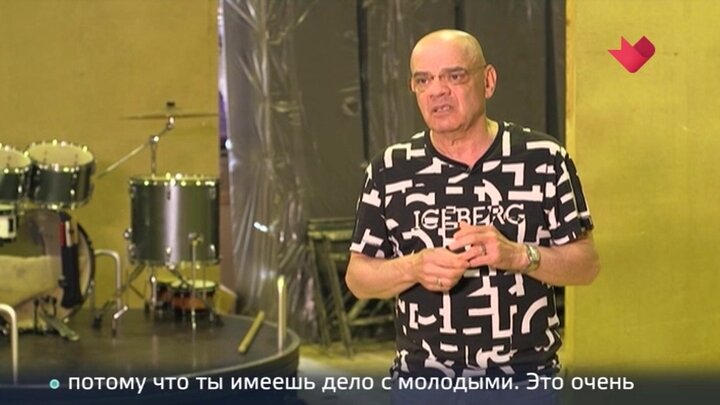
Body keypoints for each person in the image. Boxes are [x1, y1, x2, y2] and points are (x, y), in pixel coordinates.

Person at [345, 29, 599, 404]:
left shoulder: (543, 159)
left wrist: (519, 256)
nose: (437, 91)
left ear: (488, 81)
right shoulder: (391, 169)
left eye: (454, 75)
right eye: (423, 80)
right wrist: (414, 267)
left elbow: (586, 265)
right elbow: (358, 278)